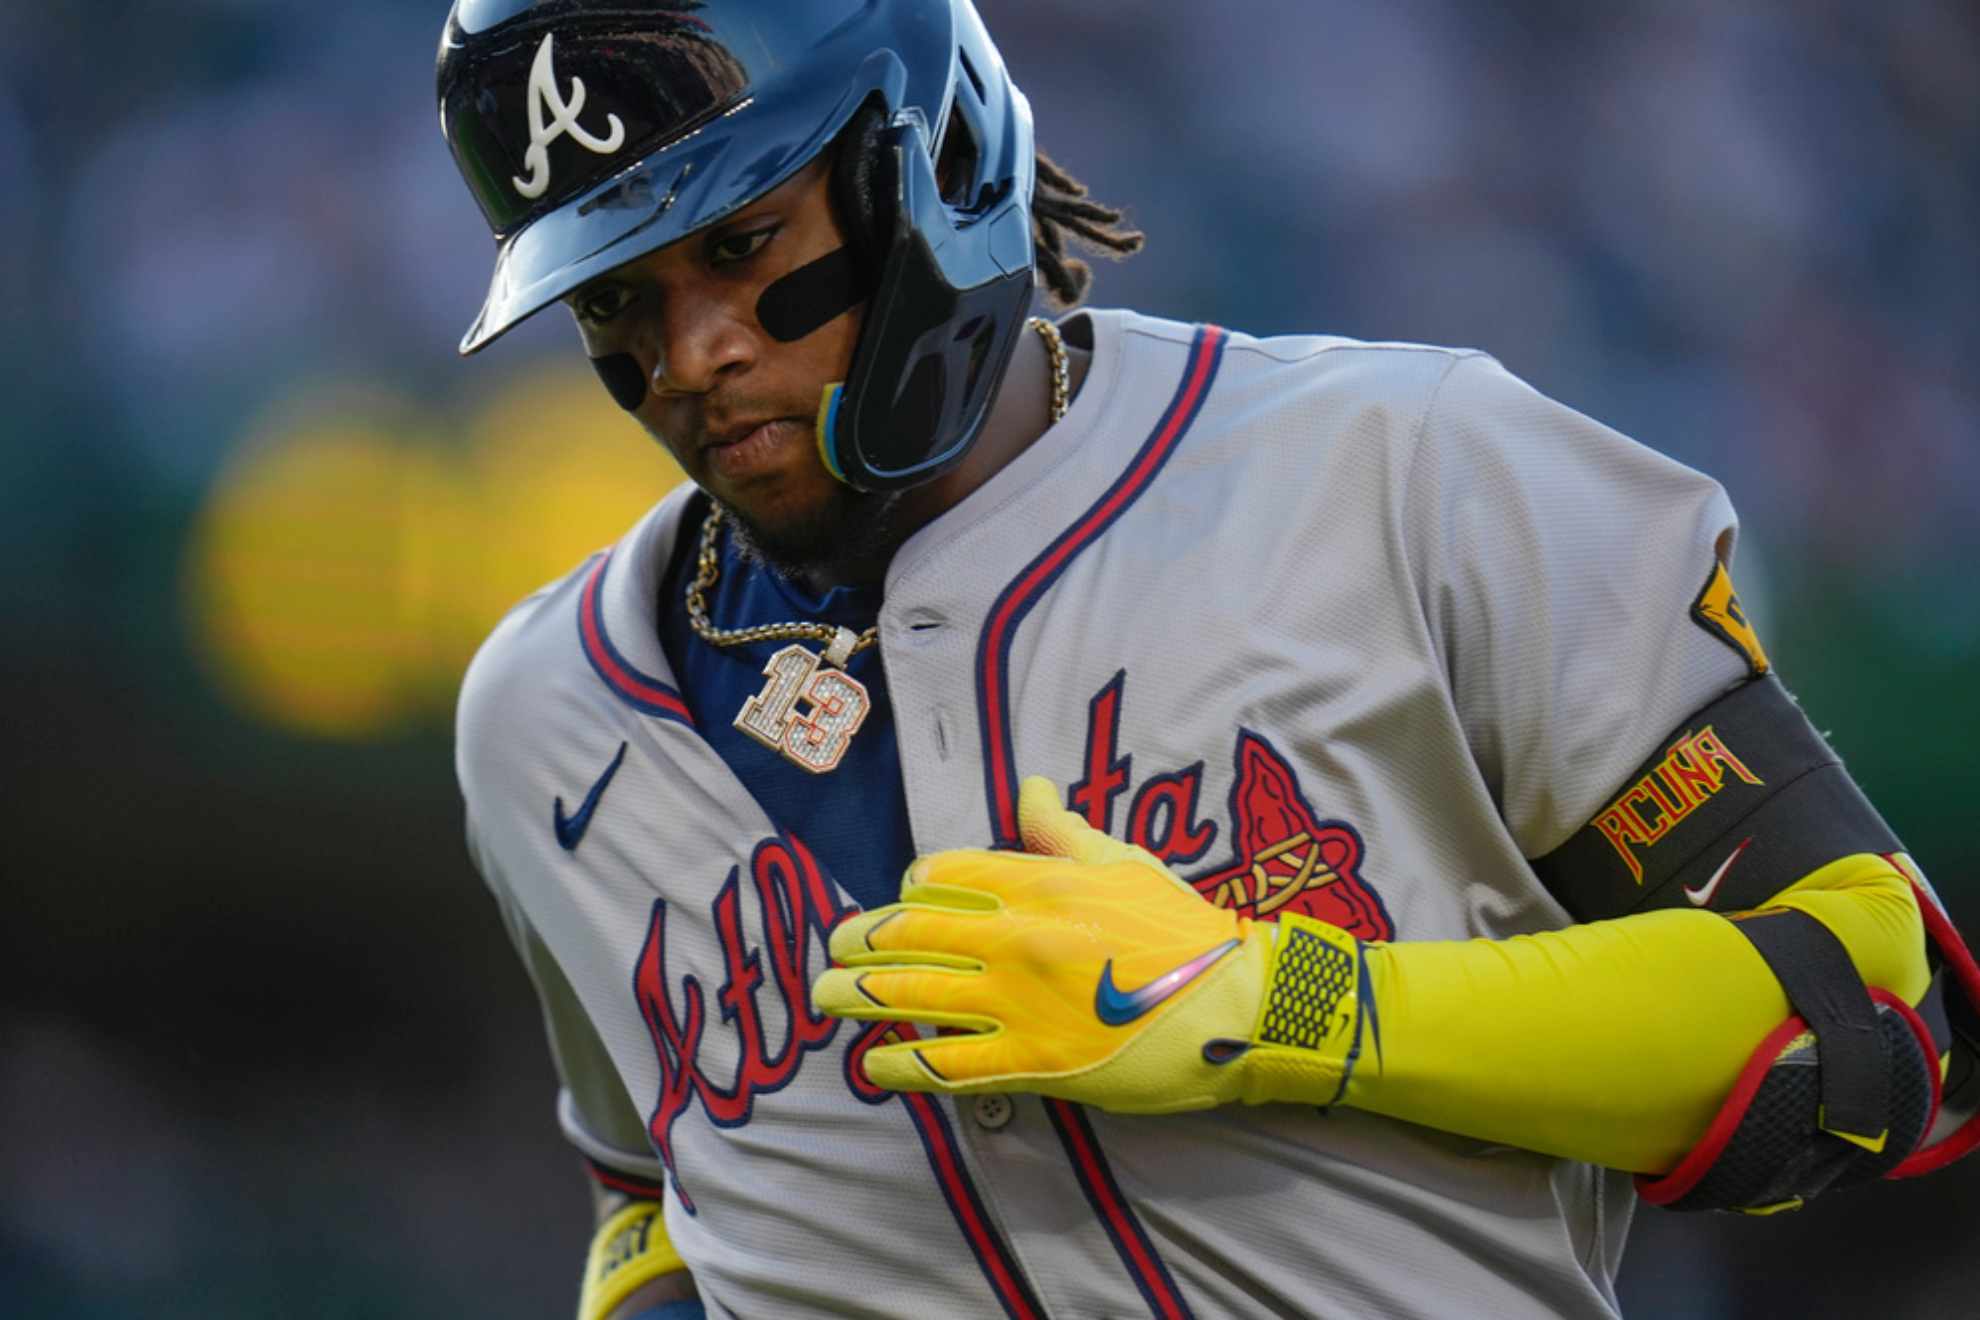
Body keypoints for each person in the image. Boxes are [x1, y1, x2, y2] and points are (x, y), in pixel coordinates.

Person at [440, 2, 1980, 1316]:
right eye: (622, 295)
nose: (695, 349)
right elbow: (648, 1203)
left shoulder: (1406, 471)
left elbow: (1869, 1022)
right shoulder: (542, 719)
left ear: (921, 164)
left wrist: (1287, 1001)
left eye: (743, 238)